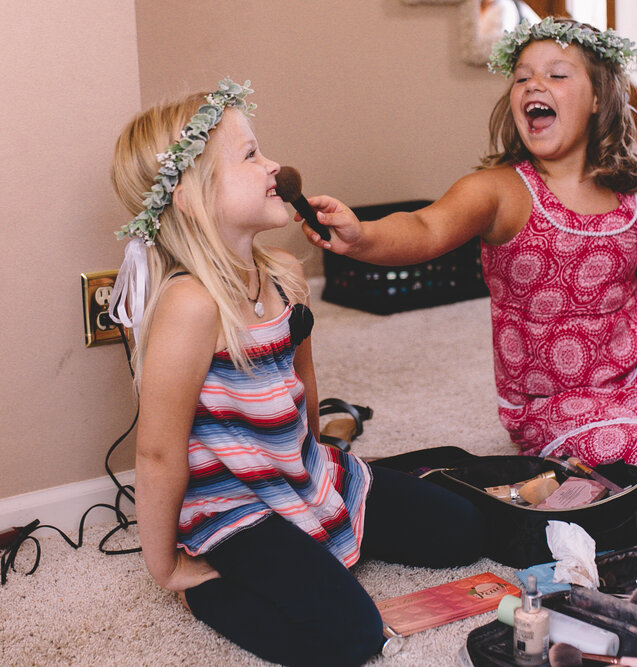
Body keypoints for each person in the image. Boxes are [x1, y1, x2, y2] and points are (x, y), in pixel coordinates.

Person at [299, 18, 637, 500]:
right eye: (522, 77)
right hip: (554, 402)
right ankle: (588, 465)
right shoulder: (498, 191)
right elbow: (424, 228)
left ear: (597, 99)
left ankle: (605, 468)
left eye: (556, 74)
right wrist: (361, 236)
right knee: (597, 454)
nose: (533, 85)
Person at [109, 78, 486, 666]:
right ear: (189, 196)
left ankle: (326, 532)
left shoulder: (283, 273)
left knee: (463, 530)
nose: (275, 165)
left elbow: (302, 388)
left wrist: (322, 475)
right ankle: (209, 597)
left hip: (299, 472)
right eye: (251, 155)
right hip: (231, 505)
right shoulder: (191, 306)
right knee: (348, 637)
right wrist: (165, 566)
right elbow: (157, 453)